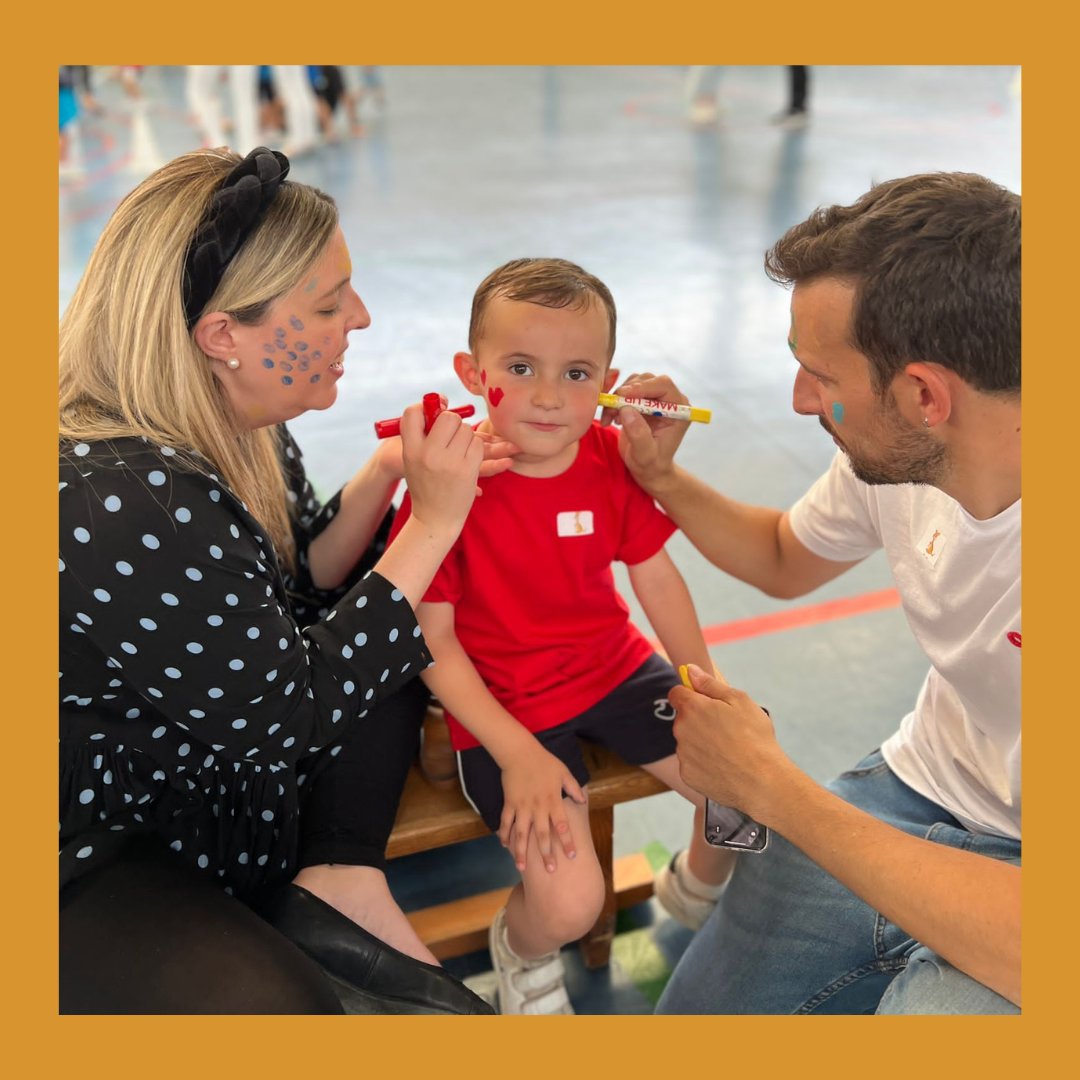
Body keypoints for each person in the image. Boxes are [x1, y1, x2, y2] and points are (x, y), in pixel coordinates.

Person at [59, 146, 515, 1014]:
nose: (363, 316)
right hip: (107, 837)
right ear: (223, 334)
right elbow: (287, 715)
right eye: (328, 302)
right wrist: (433, 522)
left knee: (384, 628)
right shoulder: (124, 497)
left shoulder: (238, 419)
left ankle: (340, 871)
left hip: (220, 774)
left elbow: (295, 573)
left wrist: (386, 475)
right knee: (282, 1016)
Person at [608, 172, 1020, 1014]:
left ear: (924, 394)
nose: (801, 402)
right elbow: (783, 555)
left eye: (816, 375)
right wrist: (663, 477)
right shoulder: (913, 451)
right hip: (928, 786)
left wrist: (774, 790)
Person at [386, 258, 735, 1014]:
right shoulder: (448, 481)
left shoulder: (612, 458)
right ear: (472, 374)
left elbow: (656, 575)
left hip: (614, 672)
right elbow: (429, 640)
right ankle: (521, 949)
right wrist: (514, 753)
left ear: (608, 380)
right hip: (506, 710)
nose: (549, 395)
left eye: (576, 373)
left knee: (744, 785)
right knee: (571, 902)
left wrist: (704, 686)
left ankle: (694, 889)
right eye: (520, 367)